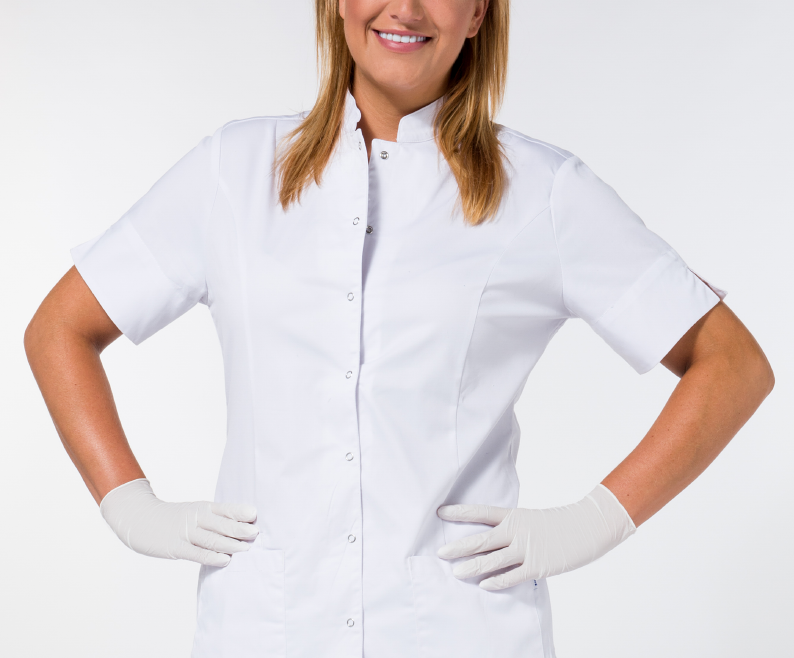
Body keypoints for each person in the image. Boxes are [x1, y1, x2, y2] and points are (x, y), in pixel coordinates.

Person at [24, 1, 773, 656]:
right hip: (266, 630)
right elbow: (60, 328)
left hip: (461, 630)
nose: (406, 8)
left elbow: (733, 364)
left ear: (477, 13)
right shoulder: (235, 170)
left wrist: (592, 522)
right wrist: (127, 504)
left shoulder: (543, 193)